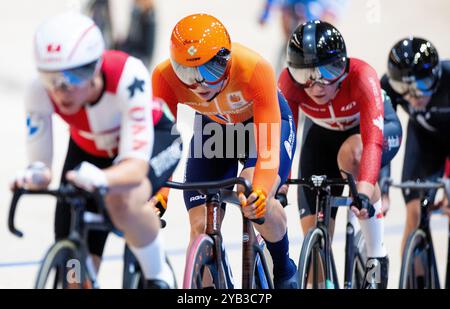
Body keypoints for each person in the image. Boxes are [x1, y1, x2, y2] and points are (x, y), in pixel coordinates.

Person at [12, 12, 182, 289]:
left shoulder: (129, 75)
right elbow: (42, 167)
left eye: (72, 77)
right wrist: (32, 176)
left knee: (122, 203)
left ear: (94, 68)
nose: (61, 90)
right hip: (90, 147)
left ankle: (158, 274)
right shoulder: (38, 91)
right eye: (49, 77)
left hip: (156, 140)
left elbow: (135, 167)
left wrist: (105, 180)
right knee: (72, 249)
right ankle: (81, 279)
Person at [152, 13, 298, 289]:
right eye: (187, 72)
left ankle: (283, 269)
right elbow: (160, 145)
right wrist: (158, 193)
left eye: (210, 71)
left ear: (226, 60)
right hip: (214, 132)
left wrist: (262, 190)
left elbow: (267, 151)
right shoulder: (164, 77)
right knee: (199, 228)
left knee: (254, 197)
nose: (199, 84)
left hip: (261, 129)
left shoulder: (255, 68)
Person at [278, 20, 403, 288]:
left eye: (326, 71)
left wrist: (365, 192)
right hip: (321, 137)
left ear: (343, 67)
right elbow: (285, 138)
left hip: (369, 134)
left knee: (353, 155)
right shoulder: (289, 85)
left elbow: (371, 144)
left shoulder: (363, 76)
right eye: (304, 75)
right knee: (314, 249)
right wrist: (281, 183)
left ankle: (376, 253)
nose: (316, 86)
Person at [379, 37, 450, 252]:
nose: (415, 96)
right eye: (404, 88)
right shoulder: (387, 86)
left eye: (423, 85)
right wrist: (383, 187)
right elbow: (381, 136)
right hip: (424, 140)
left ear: (436, 77)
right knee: (414, 213)